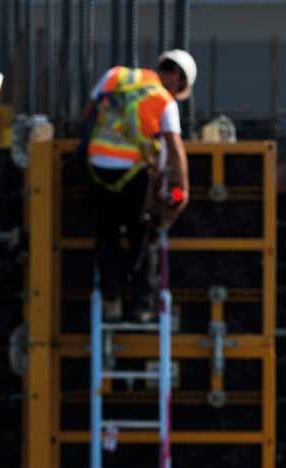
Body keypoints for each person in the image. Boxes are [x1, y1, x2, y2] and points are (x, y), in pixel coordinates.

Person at [82, 50, 195, 324]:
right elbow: (175, 147)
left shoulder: (115, 75)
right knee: (143, 235)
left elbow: (88, 113)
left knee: (106, 234)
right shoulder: (163, 100)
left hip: (97, 168)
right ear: (178, 79)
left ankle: (111, 301)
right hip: (132, 174)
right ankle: (141, 305)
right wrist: (182, 188)